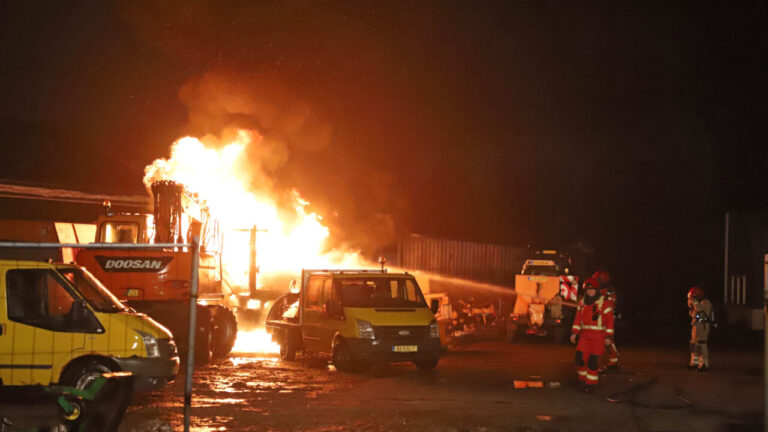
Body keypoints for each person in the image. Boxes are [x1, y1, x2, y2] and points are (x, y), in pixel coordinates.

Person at [570, 277, 614, 393]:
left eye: (592, 289)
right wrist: (574, 333)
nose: (590, 291)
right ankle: (582, 381)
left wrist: (609, 337)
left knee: (593, 362)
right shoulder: (582, 303)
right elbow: (577, 319)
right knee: (580, 359)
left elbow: (610, 322)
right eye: (588, 290)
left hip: (598, 336)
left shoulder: (604, 303)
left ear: (597, 290)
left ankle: (591, 385)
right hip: (584, 335)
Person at [593, 270, 619, 369]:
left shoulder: (608, 290)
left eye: (597, 279)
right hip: (602, 317)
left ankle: (613, 359)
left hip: (607, 317)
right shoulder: (600, 289)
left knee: (607, 339)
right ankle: (611, 359)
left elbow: (609, 303)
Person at [687, 286, 713, 372]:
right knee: (694, 346)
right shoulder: (697, 304)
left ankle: (704, 364)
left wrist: (693, 302)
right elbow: (694, 314)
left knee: (702, 345)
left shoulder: (706, 303)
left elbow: (699, 310)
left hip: (703, 326)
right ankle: (695, 363)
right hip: (696, 326)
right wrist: (691, 306)